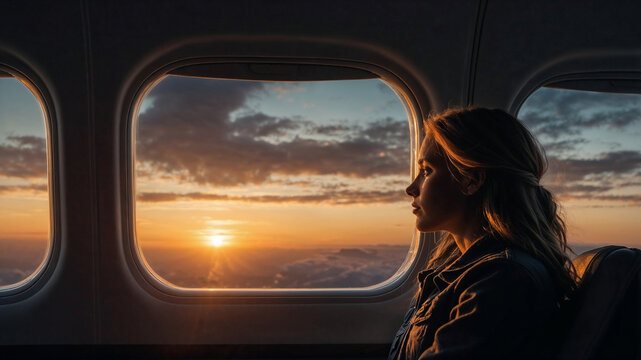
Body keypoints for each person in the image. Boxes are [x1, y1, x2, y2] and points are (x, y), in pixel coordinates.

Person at [388, 108, 576, 359]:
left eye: (427, 171)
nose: (411, 188)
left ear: (471, 180)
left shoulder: (503, 281)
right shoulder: (461, 269)